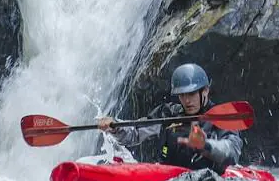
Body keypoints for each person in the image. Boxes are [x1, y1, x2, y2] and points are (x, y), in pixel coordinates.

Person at [96, 63, 243, 173]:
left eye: (191, 94)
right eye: (182, 95)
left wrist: (206, 145)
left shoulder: (223, 117)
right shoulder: (168, 113)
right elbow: (134, 133)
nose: (187, 101)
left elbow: (232, 152)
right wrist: (114, 126)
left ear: (205, 91)